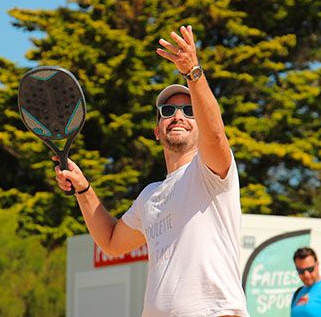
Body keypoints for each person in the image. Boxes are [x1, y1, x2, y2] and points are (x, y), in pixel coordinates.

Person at [54, 25, 249, 317]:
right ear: (157, 131)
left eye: (189, 111)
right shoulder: (150, 197)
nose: (178, 116)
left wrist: (193, 72)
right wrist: (83, 188)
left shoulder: (209, 172)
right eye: (168, 112)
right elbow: (110, 242)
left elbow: (216, 136)